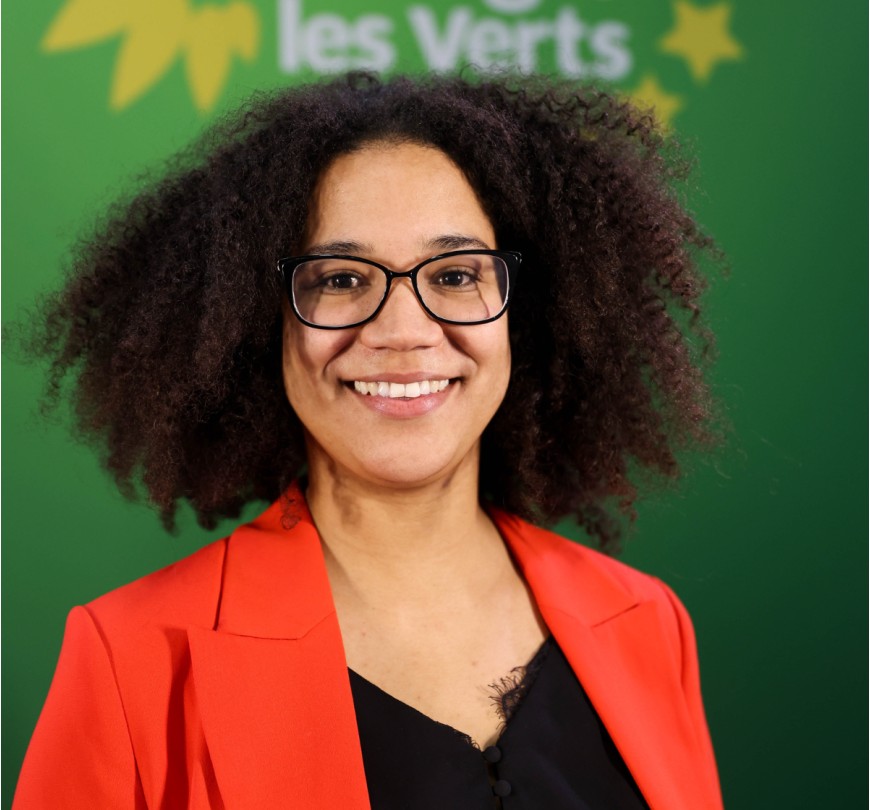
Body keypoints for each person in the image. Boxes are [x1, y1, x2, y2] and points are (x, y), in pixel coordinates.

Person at [13, 72, 723, 809]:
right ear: (258, 323)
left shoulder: (646, 621)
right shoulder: (133, 654)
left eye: (455, 275)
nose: (403, 331)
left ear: (523, 314)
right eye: (342, 280)